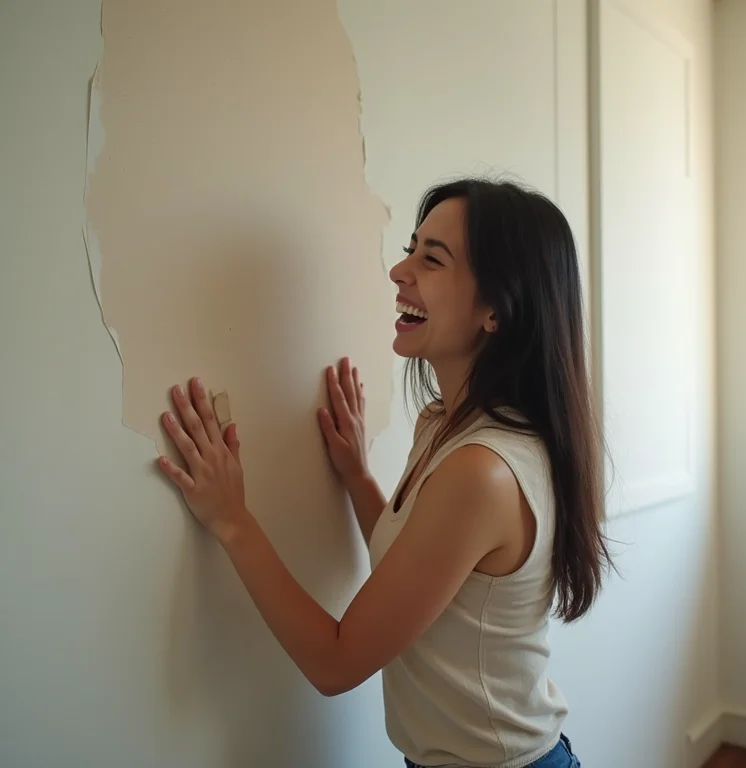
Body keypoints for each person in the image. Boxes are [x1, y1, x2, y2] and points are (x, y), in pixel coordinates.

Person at [157, 177, 613, 768]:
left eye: (432, 259)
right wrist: (356, 477)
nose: (400, 273)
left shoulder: (483, 471)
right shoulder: (446, 426)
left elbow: (335, 662)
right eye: (410, 249)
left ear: (497, 308)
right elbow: (417, 568)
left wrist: (233, 521)